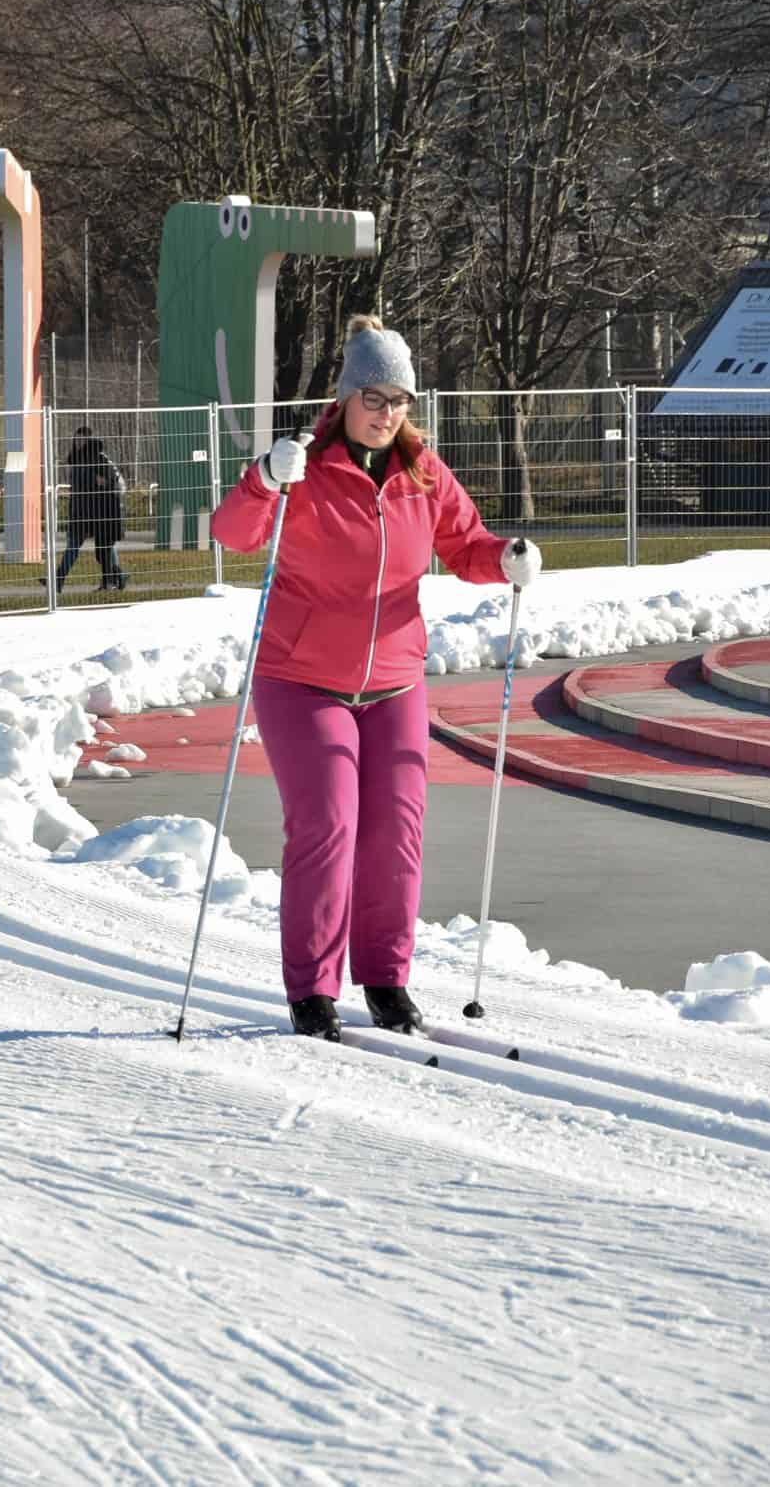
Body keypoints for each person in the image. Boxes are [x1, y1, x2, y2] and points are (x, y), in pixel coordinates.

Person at [209, 315, 541, 1042]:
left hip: (393, 679)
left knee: (397, 831)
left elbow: (466, 542)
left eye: (400, 399)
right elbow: (232, 532)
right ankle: (312, 990)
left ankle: (386, 980)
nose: (387, 412)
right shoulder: (306, 465)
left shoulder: (422, 473)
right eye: (375, 395)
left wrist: (509, 557)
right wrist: (265, 478)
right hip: (302, 678)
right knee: (328, 824)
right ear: (348, 394)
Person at [57, 427, 130, 593]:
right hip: (80, 509)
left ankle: (59, 580)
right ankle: (118, 577)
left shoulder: (100, 460)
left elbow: (116, 484)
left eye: (82, 440)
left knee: (101, 549)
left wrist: (104, 486)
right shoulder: (75, 461)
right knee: (96, 548)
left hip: (99, 511)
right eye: (76, 440)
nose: (79, 443)